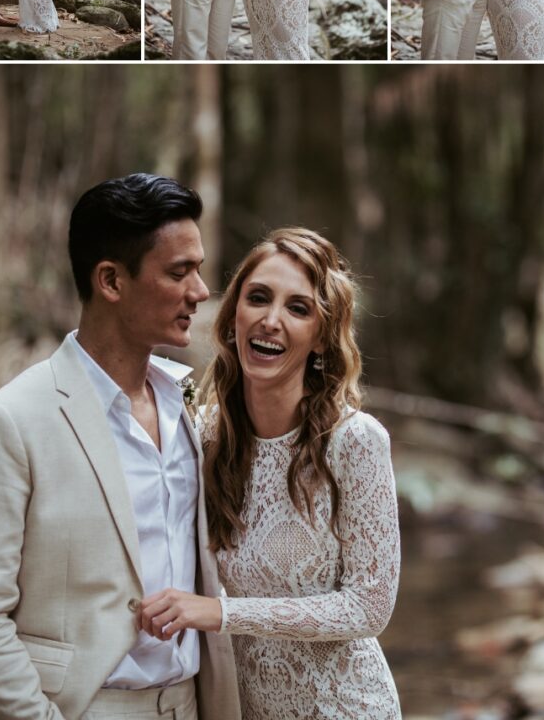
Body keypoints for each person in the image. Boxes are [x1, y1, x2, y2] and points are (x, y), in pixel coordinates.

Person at [0, 174, 240, 720]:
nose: (200, 291)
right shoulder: (11, 421)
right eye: (179, 272)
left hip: (190, 705)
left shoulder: (186, 405)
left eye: (198, 270)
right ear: (110, 280)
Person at [140, 228, 402, 720]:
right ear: (234, 312)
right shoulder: (207, 433)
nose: (271, 320)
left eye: (298, 308)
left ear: (322, 335)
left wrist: (221, 613)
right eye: (258, 298)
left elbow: (370, 608)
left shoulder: (356, 441)